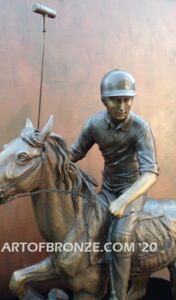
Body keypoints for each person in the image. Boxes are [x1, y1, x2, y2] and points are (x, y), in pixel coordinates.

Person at [69, 69, 159, 300]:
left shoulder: (141, 128)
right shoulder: (94, 125)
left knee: (119, 236)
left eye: (126, 99)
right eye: (115, 100)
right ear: (103, 101)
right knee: (88, 227)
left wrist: (123, 200)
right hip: (108, 190)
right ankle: (91, 285)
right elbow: (73, 154)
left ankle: (118, 296)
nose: (122, 106)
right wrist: (45, 151)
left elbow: (150, 173)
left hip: (132, 191)